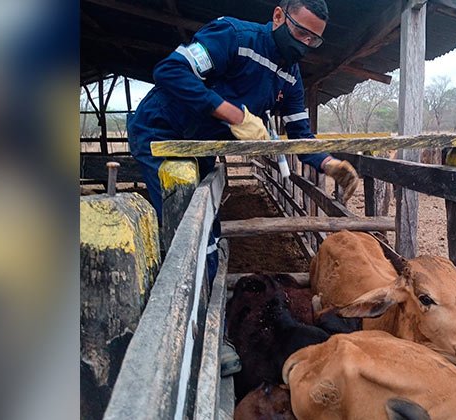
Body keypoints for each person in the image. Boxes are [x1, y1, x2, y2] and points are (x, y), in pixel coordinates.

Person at [127, 0, 359, 376]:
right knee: (189, 230)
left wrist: (330, 164)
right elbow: (170, 70)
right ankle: (191, 340)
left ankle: (205, 325)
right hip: (162, 135)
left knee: (207, 230)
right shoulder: (233, 37)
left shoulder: (290, 77)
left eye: (313, 40)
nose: (303, 44)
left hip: (202, 147)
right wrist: (233, 113)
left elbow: (300, 134)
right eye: (300, 32)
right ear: (279, 16)